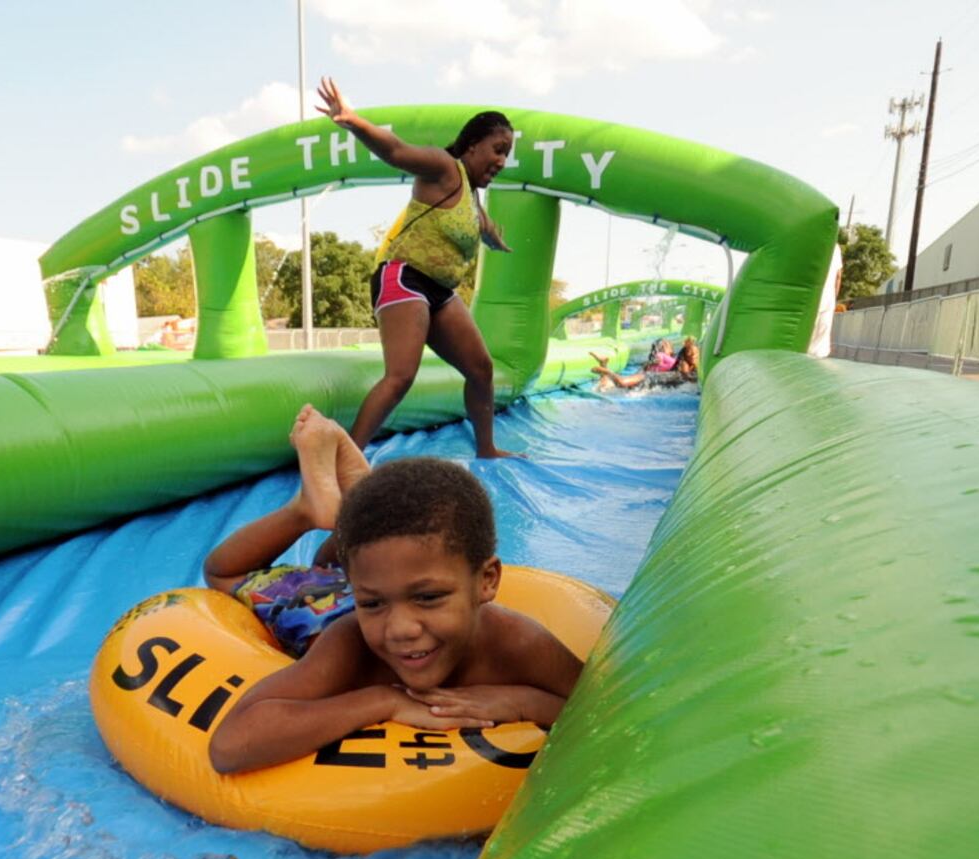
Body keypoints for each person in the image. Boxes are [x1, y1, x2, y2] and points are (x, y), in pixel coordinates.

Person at [204, 405, 582, 774]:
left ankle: (350, 505)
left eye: (429, 597)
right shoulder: (348, 642)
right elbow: (229, 746)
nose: (401, 628)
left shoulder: (519, 642)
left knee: (351, 560)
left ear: (487, 581)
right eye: (373, 603)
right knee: (223, 573)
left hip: (360, 578)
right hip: (326, 608)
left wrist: (522, 702)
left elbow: (606, 714)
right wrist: (383, 700)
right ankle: (308, 510)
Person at [314, 77, 518, 459]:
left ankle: (487, 448)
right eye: (497, 149)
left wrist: (496, 240)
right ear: (472, 145)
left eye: (507, 154)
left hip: (439, 291)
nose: (502, 161)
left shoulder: (473, 200)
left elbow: (484, 228)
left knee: (482, 369)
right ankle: (347, 461)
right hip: (403, 277)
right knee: (401, 376)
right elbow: (395, 150)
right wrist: (352, 121)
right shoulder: (444, 169)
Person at [592, 336, 700, 391]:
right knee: (622, 383)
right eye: (691, 354)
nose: (694, 356)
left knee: (609, 386)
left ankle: (604, 366)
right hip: (649, 377)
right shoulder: (677, 368)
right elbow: (685, 374)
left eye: (696, 353)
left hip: (652, 379)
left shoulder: (680, 365)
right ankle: (606, 371)